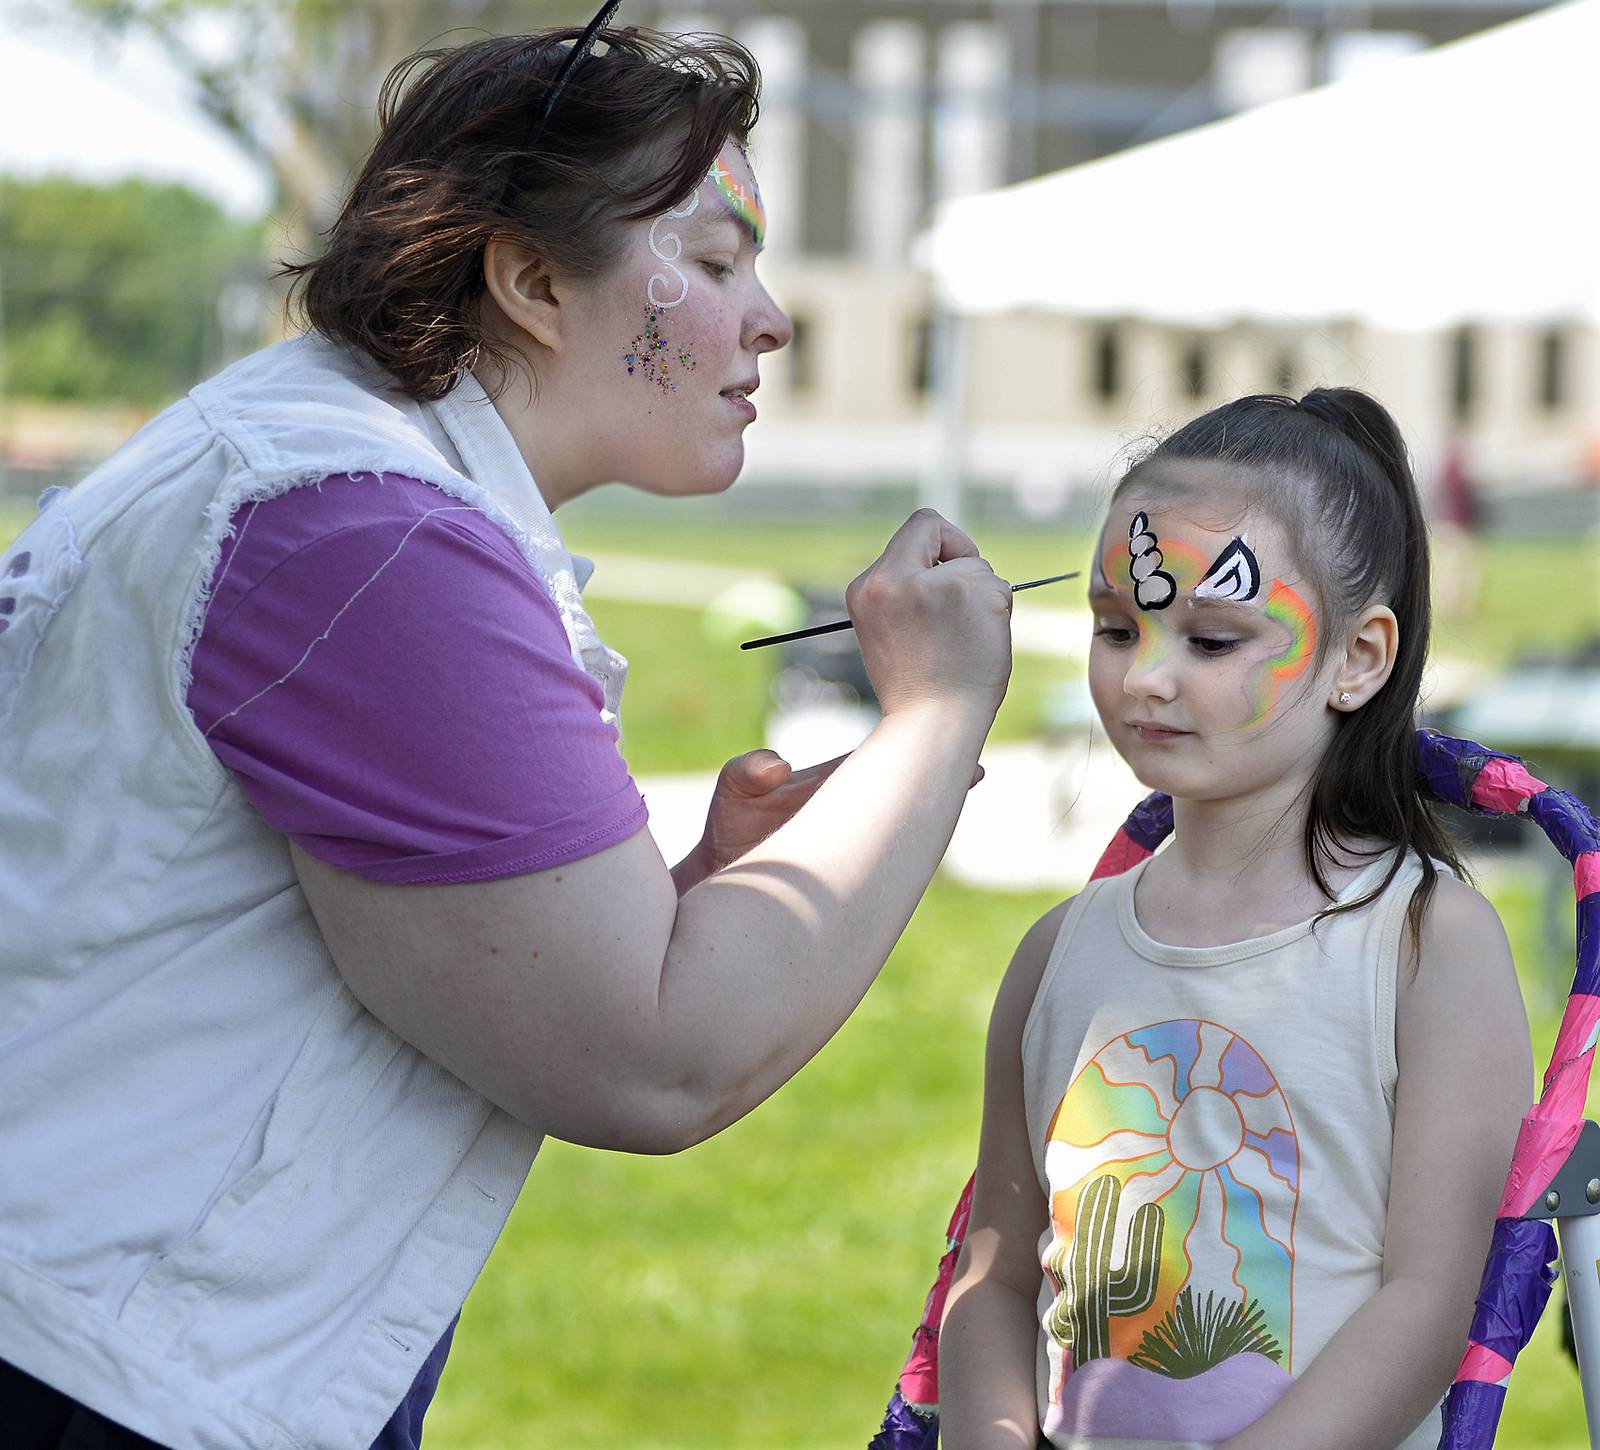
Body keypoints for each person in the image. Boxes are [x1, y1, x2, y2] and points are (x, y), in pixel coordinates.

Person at [0, 20, 1015, 1450]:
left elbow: (455, 969)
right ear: (532, 282)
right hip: (96, 1376)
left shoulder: (323, 468)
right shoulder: (370, 540)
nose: (771, 319)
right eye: (715, 264)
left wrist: (678, 901)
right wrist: (937, 710)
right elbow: (655, 1057)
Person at [937, 389, 1532, 1449]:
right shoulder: (1056, 955)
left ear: (1358, 658)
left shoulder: (1426, 943)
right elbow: (993, 1272)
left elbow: (1434, 1301)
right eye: (1115, 627)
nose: (1145, 676)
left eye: (1211, 640)